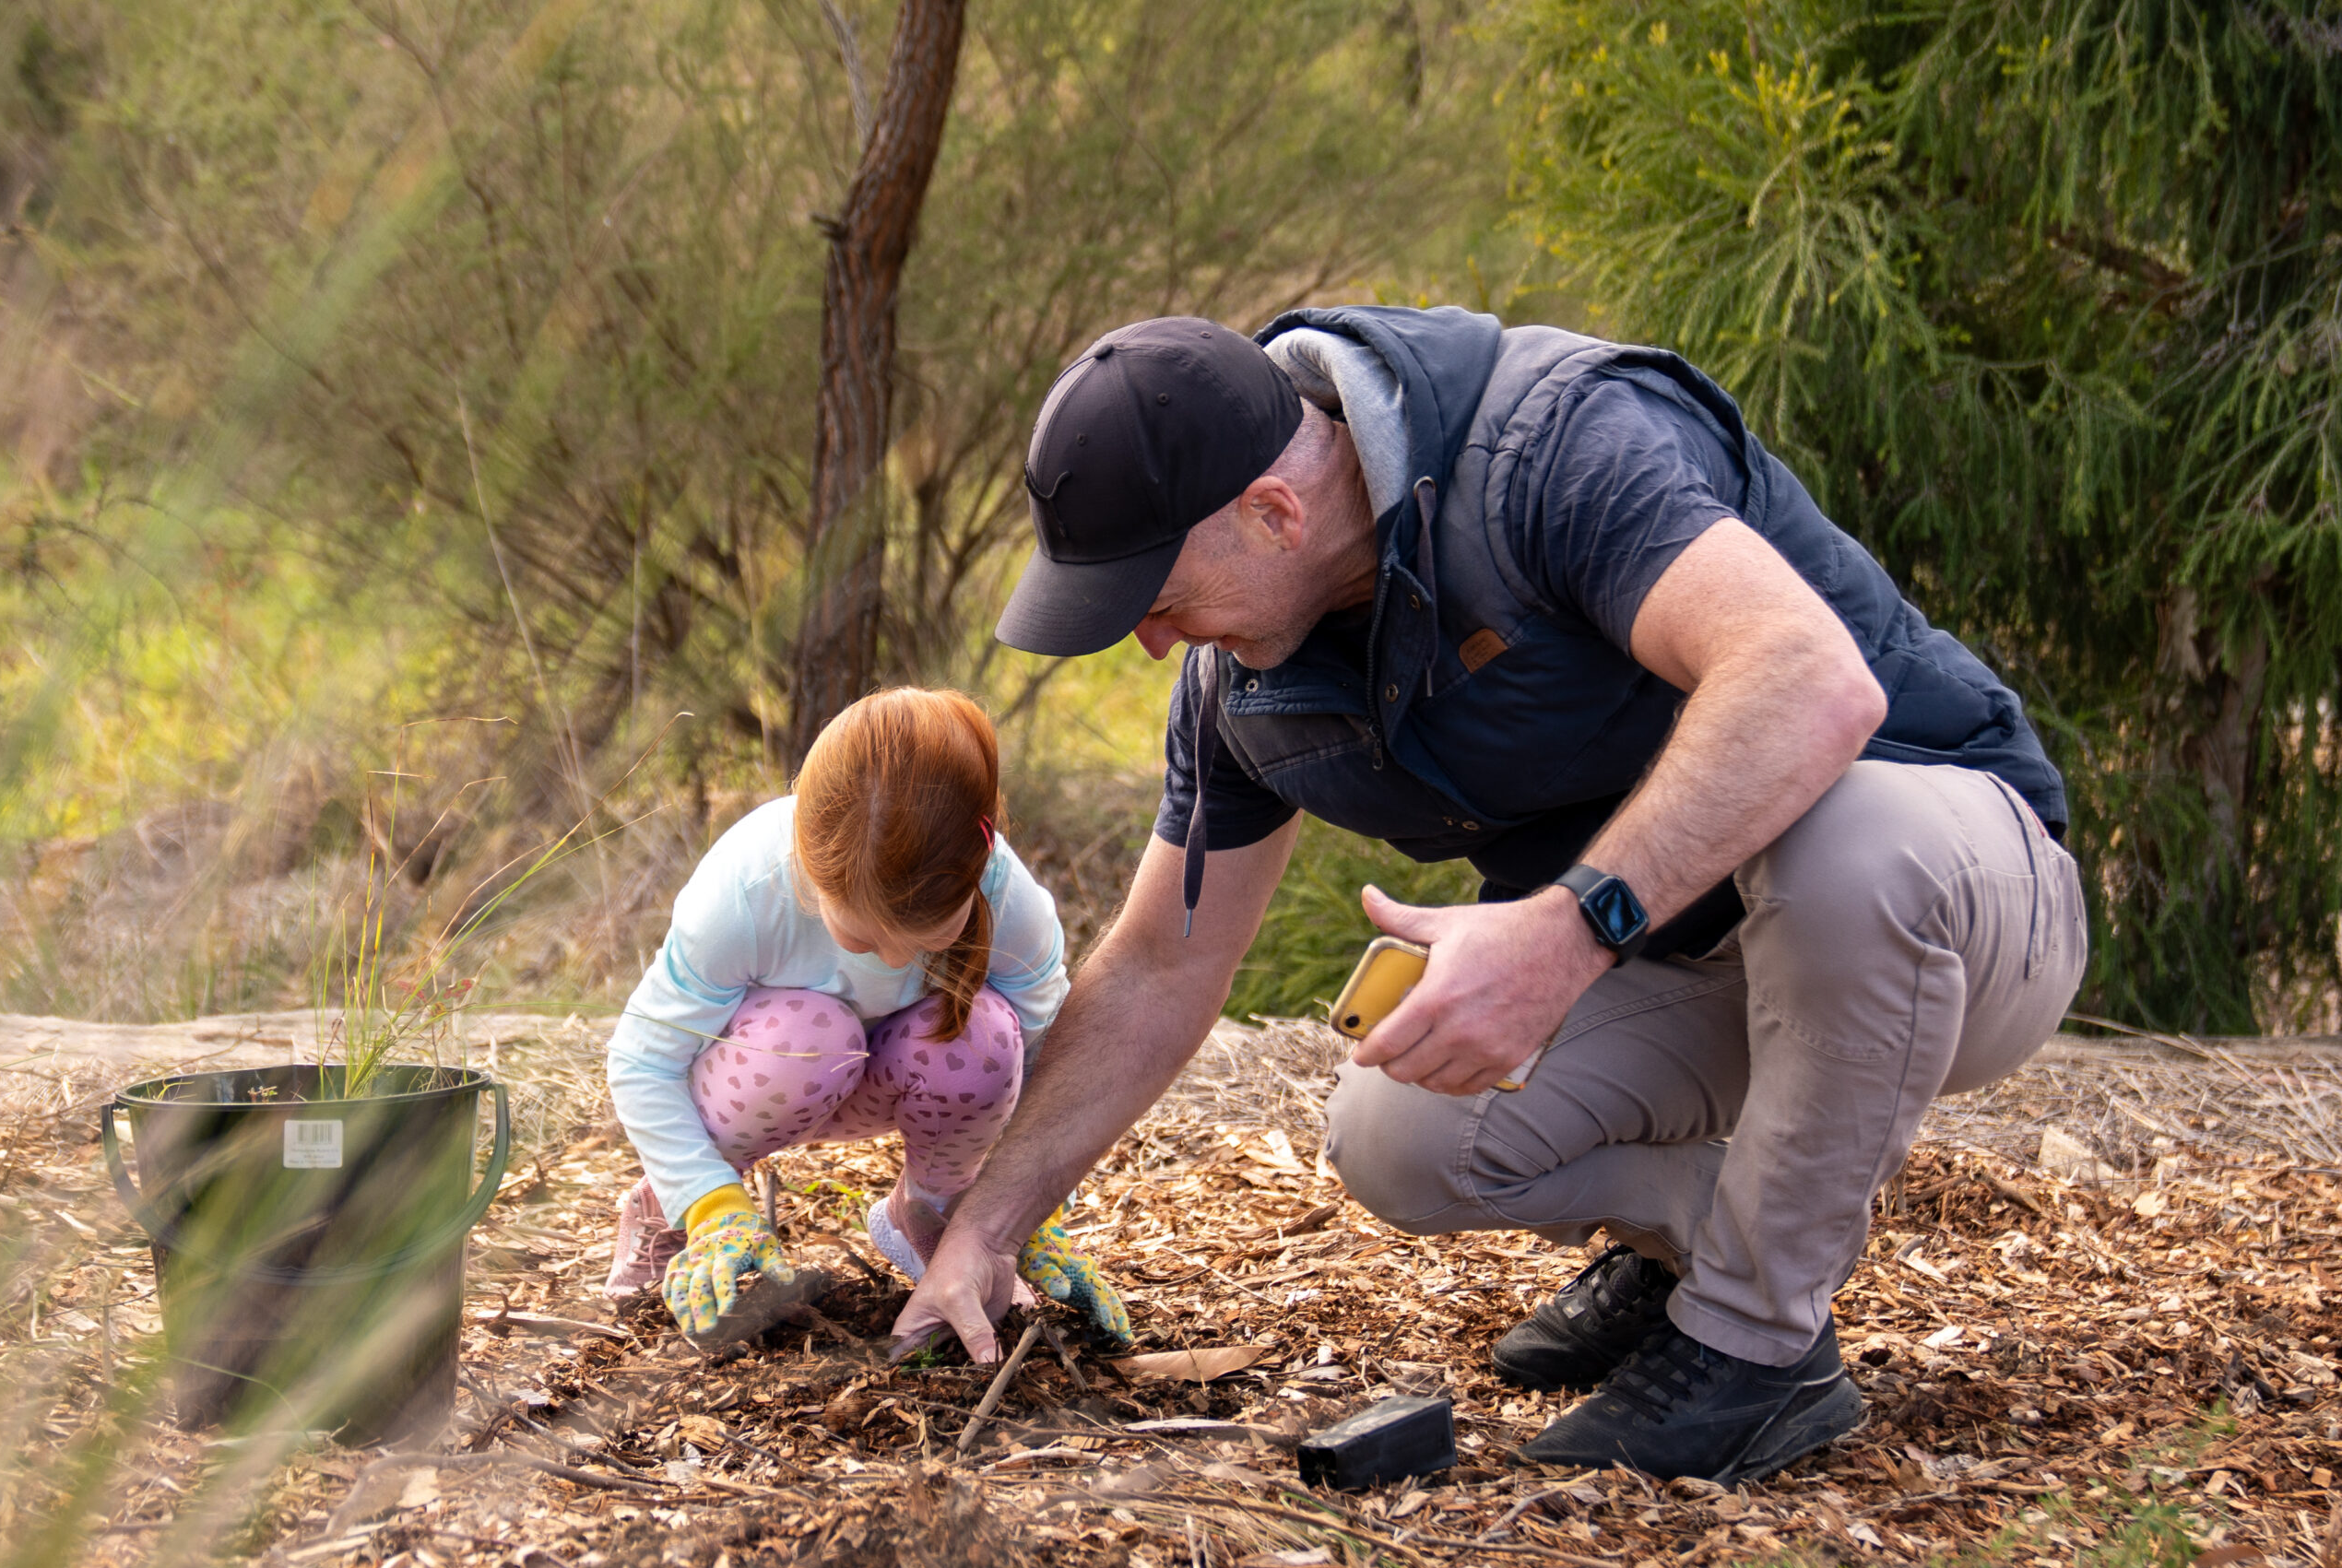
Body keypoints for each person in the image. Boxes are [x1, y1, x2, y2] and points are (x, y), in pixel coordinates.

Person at [890, 309, 2088, 1485]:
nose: (1152, 643)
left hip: (1951, 897)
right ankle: (1702, 1244)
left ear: (1274, 511)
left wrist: (1563, 933)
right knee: (1403, 1131)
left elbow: (1809, 683)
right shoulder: (1239, 681)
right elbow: (1162, 961)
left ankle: (1757, 1344)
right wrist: (985, 1228)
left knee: (1849, 842)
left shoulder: (1556, 447)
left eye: (1156, 596)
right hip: (1699, 956)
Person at [602, 687, 1128, 1341]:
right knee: (811, 1033)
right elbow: (644, 1061)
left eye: (930, 935)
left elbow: (1051, 1057)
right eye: (859, 937)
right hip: (768, 1075)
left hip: (906, 1074)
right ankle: (673, 1206)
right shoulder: (744, 894)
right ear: (808, 867)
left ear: (979, 862)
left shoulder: (1009, 898)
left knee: (988, 1034)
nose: (897, 957)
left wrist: (1029, 1208)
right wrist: (706, 1200)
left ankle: (935, 1210)